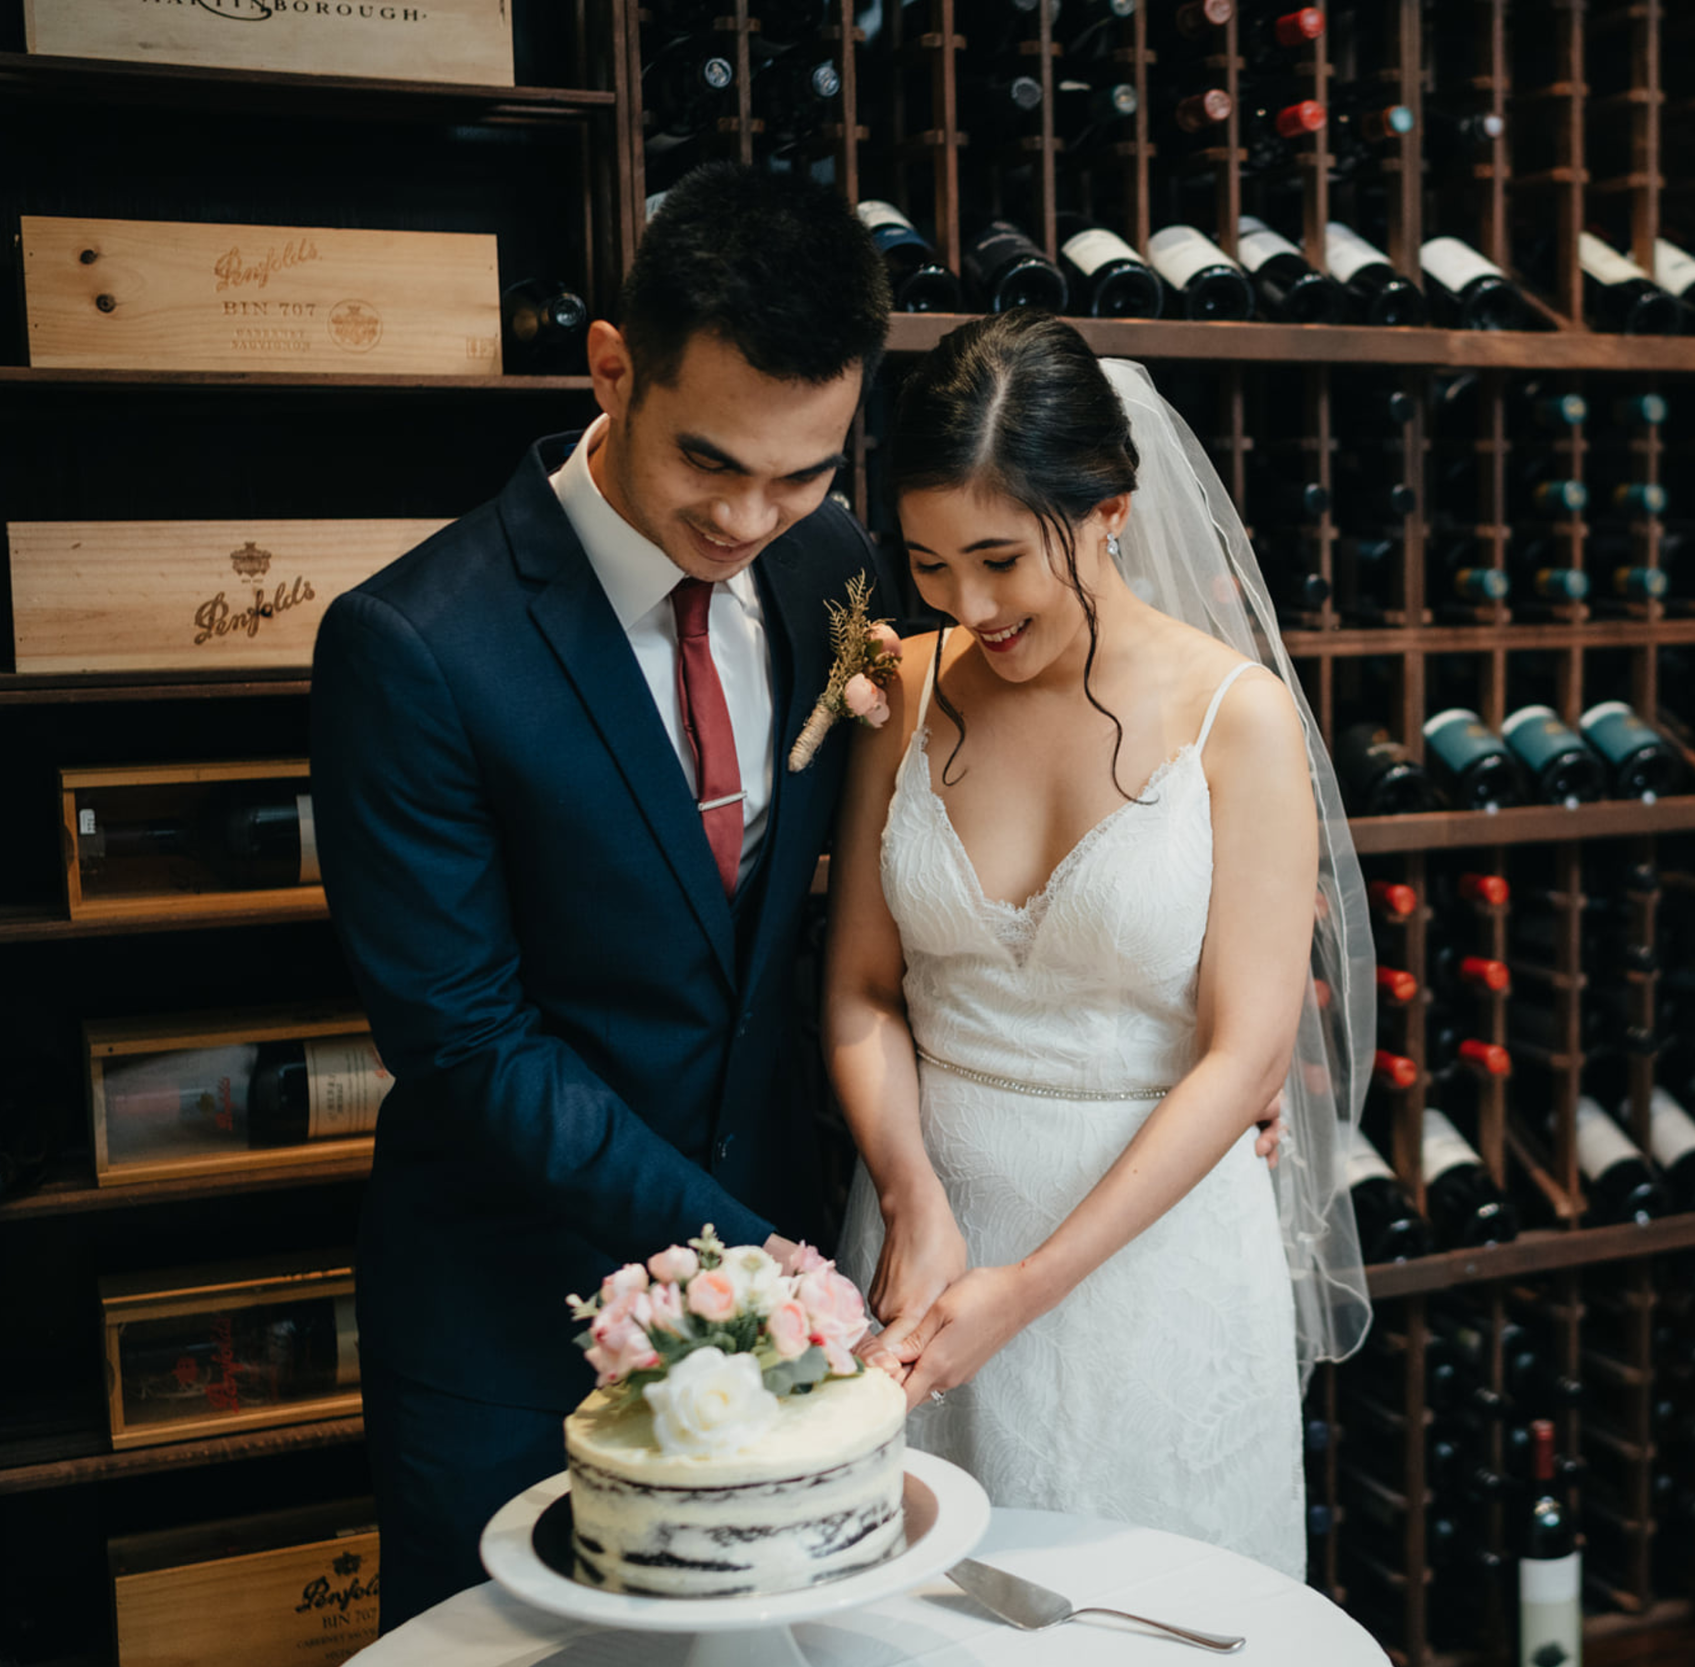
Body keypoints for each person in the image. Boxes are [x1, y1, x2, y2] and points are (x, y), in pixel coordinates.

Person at [309, 164, 891, 1628]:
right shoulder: (413, 644)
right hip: (514, 1312)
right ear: (613, 367)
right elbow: (466, 1042)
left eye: (806, 468)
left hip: (782, 1275)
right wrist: (752, 1259)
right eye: (714, 461)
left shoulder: (839, 567)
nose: (755, 515)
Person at [825, 309, 1375, 1578]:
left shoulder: (1238, 719)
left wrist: (1026, 1287)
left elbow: (1245, 1059)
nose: (968, 604)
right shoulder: (898, 687)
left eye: (1002, 558)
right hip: (929, 1224)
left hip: (1149, 1253)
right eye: (929, 562)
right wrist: (913, 1199)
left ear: (1112, 509)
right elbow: (860, 989)